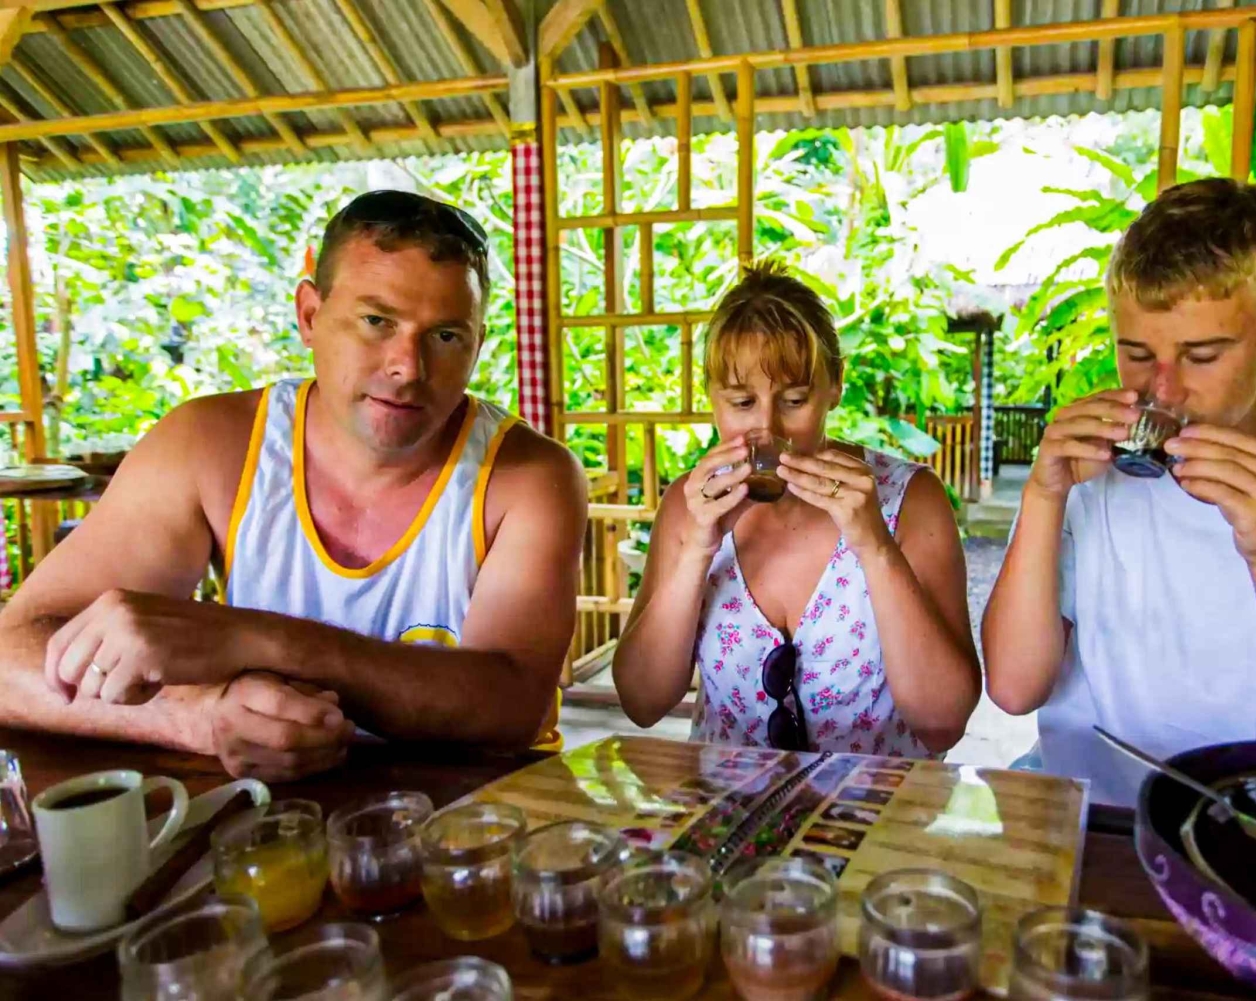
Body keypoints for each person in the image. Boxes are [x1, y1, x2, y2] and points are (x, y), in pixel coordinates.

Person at [0, 190, 587, 781]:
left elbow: (512, 707)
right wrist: (202, 716)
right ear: (310, 315)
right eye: (376, 321)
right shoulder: (211, 446)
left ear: (478, 345)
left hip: (471, 822)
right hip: (271, 814)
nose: (407, 367)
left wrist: (260, 641)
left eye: (445, 336)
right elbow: (10, 660)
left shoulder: (529, 478)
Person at [982, 178, 1256, 805]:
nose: (1162, 390)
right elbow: (1012, 687)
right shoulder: (1088, 477)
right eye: (1137, 353)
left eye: (1201, 355)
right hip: (1090, 816)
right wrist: (1042, 496)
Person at [613, 261, 981, 757]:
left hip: (879, 819)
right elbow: (642, 702)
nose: (769, 429)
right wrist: (698, 550)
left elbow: (943, 723)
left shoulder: (907, 499)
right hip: (727, 817)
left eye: (795, 399)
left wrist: (873, 545)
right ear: (712, 398)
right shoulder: (691, 506)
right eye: (742, 403)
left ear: (835, 385)